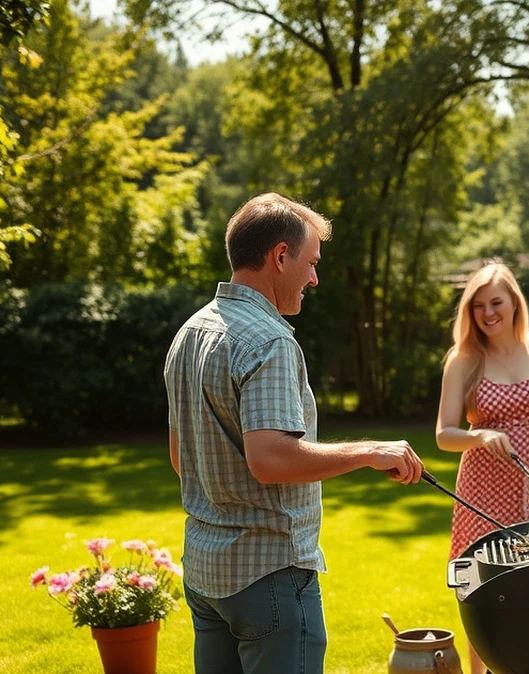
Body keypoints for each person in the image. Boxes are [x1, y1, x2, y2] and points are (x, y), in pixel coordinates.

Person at [164, 192, 424, 674]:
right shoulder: (268, 339)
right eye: (310, 263)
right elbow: (271, 459)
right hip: (270, 577)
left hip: (205, 573)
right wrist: (369, 451)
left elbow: (182, 457)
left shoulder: (191, 332)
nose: (314, 278)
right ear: (280, 256)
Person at [435, 261, 529, 674]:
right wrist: (478, 435)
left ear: (515, 303)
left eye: (496, 302)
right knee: (482, 584)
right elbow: (444, 433)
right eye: (478, 305)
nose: (487, 313)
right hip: (484, 480)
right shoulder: (463, 359)